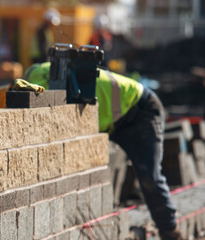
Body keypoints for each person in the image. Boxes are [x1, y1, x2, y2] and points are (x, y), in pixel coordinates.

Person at [24, 62, 182, 240]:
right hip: (113, 119)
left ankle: (171, 231)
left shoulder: (47, 92)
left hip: (140, 109)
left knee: (149, 177)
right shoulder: (41, 74)